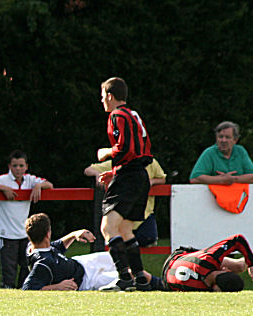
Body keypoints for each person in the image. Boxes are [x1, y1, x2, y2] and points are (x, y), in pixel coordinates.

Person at [94, 77, 154, 291]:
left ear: (110, 96)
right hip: (140, 175)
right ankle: (139, 278)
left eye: (102, 97)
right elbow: (139, 150)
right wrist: (115, 171)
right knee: (125, 229)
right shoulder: (133, 114)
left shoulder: (117, 115)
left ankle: (124, 278)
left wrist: (106, 153)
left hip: (129, 177)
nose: (102, 101)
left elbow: (125, 147)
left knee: (107, 227)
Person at [21, 213, 163, 291]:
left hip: (83, 262)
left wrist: (75, 234)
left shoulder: (35, 246)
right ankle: (164, 285)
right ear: (48, 234)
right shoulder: (43, 263)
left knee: (120, 257)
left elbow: (56, 246)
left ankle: (155, 283)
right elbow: (28, 288)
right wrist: (57, 287)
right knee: (128, 275)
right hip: (86, 280)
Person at [0, 150, 53, 288]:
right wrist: (3, 189)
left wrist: (38, 186)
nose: (18, 169)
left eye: (21, 165)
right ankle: (8, 294)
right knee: (9, 270)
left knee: (27, 266)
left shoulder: (31, 180)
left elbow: (49, 185)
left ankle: (24, 292)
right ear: (9, 166)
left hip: (25, 233)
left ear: (26, 166)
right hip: (6, 232)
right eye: (14, 166)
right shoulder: (2, 179)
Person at [84, 157, 166, 247]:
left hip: (144, 214)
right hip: (122, 214)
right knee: (118, 240)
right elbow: (88, 169)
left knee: (144, 239)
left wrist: (151, 181)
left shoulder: (151, 162)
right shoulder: (118, 162)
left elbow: (162, 178)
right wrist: (98, 174)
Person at [162, 234, 253, 291]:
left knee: (237, 267)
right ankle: (246, 262)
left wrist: (252, 264)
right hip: (167, 279)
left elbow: (237, 239)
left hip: (176, 259)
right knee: (239, 267)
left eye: (226, 271)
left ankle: (245, 262)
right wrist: (252, 263)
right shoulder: (202, 290)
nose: (226, 269)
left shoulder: (208, 259)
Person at [189, 121, 253, 184]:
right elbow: (195, 178)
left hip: (239, 195)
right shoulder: (209, 153)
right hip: (214, 196)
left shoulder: (240, 151)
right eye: (220, 137)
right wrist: (221, 180)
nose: (223, 140)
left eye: (227, 137)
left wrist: (233, 179)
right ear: (216, 138)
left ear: (235, 140)